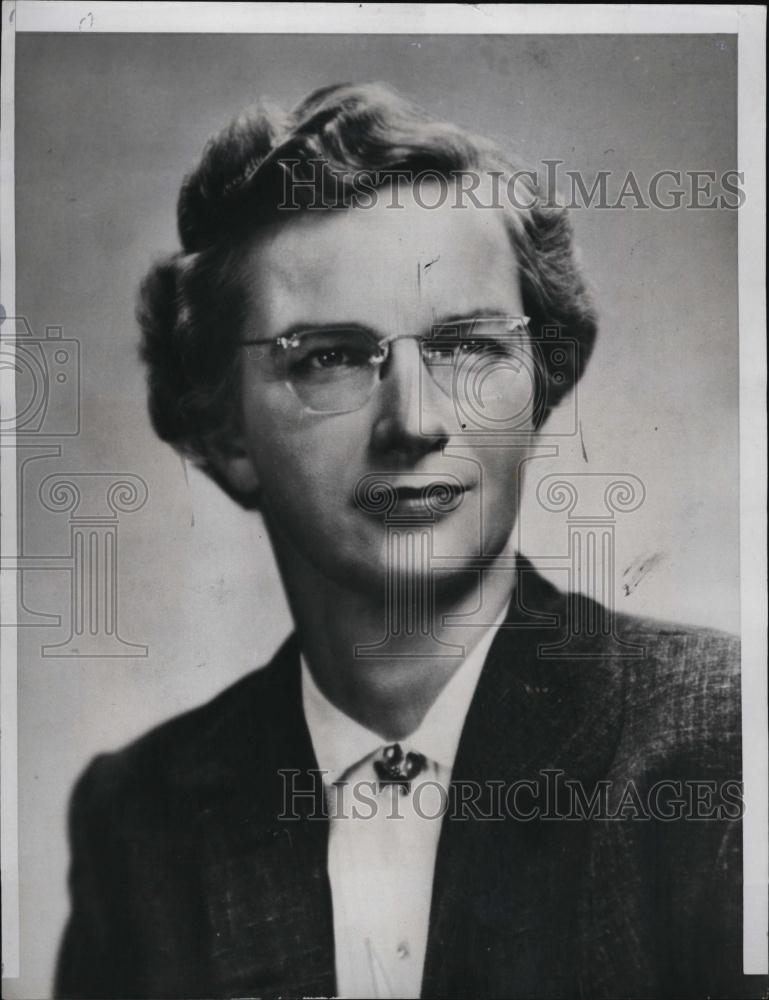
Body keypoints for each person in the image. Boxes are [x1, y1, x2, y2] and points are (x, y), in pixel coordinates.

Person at [55, 83, 755, 1000]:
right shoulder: (138, 817)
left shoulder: (725, 741)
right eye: (329, 357)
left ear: (535, 386)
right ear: (221, 427)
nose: (415, 421)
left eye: (468, 345)